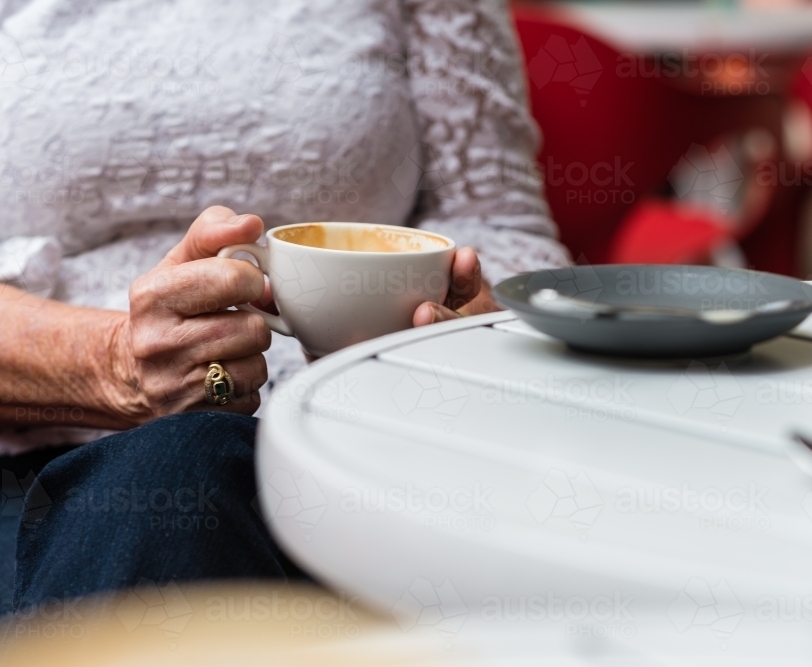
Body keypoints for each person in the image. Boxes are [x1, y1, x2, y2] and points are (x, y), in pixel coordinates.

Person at [0, 0, 570, 613]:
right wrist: (109, 363)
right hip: (32, 464)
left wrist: (461, 321)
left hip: (371, 452)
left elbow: (504, 224)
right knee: (180, 465)